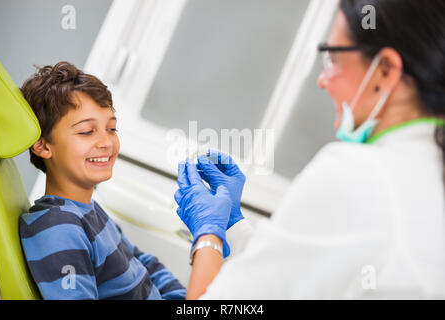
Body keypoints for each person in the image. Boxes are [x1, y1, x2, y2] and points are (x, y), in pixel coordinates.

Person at [174, 0, 445, 299]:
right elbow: (296, 274)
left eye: (333, 59)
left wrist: (207, 235)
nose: (322, 80)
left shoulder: (358, 174)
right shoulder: (425, 172)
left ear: (384, 71)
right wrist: (232, 225)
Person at [19, 62, 186, 300]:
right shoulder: (58, 228)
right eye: (87, 131)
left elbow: (144, 263)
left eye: (111, 128)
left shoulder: (90, 211)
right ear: (43, 145)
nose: (106, 142)